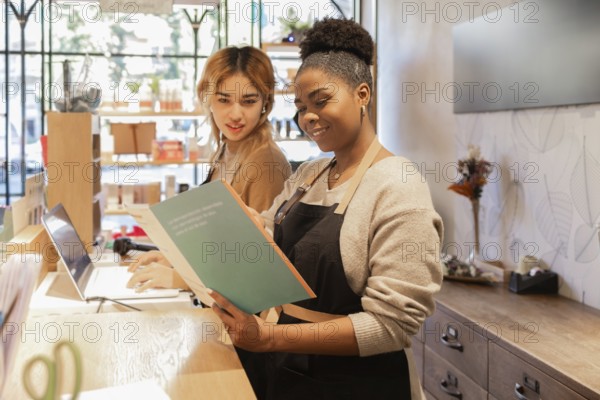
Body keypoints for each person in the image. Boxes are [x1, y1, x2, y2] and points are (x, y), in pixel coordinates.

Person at [207, 18, 443, 399]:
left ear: (362, 94)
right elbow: (272, 233)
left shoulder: (397, 185)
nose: (308, 117)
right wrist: (248, 226)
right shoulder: (311, 174)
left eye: (322, 101)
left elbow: (391, 325)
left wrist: (270, 338)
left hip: (357, 384)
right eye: (301, 107)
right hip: (290, 373)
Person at [126, 46, 291, 291]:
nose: (236, 114)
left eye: (248, 101)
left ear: (265, 102)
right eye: (224, 100)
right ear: (207, 98)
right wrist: (177, 262)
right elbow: (221, 248)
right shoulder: (225, 149)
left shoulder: (267, 163)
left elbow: (258, 268)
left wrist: (180, 280)